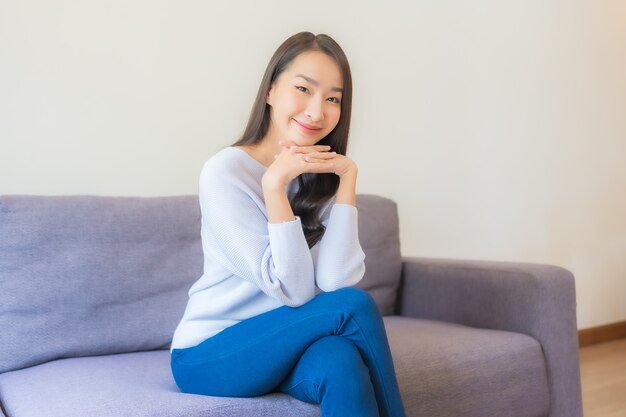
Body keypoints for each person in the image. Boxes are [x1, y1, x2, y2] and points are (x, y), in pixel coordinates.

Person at [170, 31, 407, 417]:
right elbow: (295, 291)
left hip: (284, 343)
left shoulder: (317, 176)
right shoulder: (224, 172)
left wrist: (346, 182)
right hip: (210, 354)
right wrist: (274, 186)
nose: (317, 111)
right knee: (352, 306)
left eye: (333, 98)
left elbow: (333, 281)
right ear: (270, 91)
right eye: (303, 89)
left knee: (339, 359)